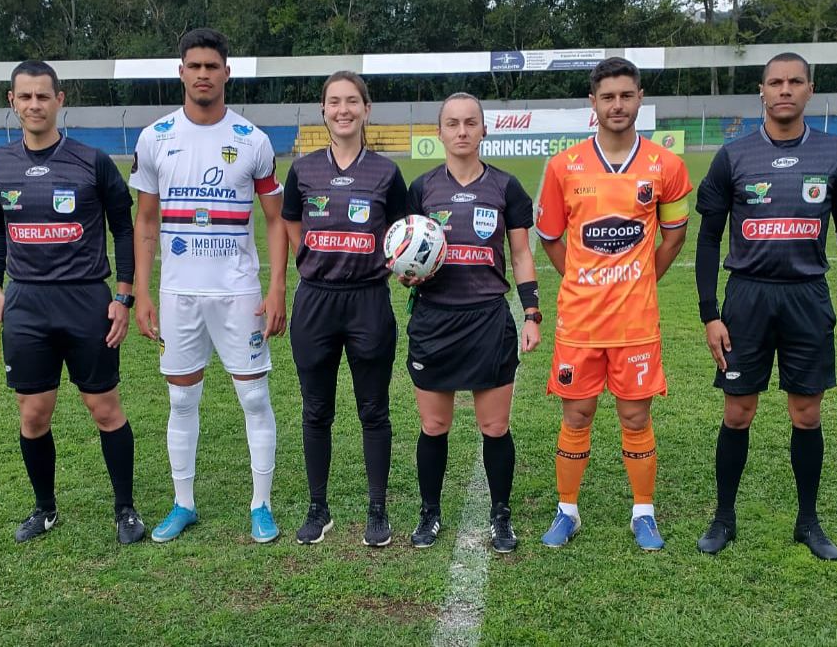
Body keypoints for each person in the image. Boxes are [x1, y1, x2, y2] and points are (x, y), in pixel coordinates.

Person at [694, 52, 837, 561]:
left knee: (807, 414)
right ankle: (723, 517)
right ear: (762, 90)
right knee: (738, 412)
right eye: (775, 82)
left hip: (807, 297)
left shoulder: (835, 153)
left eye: (795, 81)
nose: (785, 90)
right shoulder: (733, 156)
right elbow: (708, 239)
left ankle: (808, 521)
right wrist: (710, 312)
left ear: (809, 89)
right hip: (746, 298)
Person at [130, 27, 288, 545]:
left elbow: (275, 220)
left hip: (238, 293)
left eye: (211, 66)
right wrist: (143, 292)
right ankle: (184, 503)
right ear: (181, 72)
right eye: (194, 66)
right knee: (181, 402)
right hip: (178, 294)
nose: (203, 74)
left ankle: (261, 505)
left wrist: (277, 287)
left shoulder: (252, 140)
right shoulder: (155, 137)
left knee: (255, 398)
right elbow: (145, 221)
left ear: (226, 73)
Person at [0, 60, 144, 545]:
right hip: (26, 305)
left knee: (104, 408)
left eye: (42, 96)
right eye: (25, 96)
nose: (34, 104)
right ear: (12, 102)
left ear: (59, 100)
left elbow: (124, 228)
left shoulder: (92, 161)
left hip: (86, 300)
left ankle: (125, 509)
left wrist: (124, 296)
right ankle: (45, 508)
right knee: (33, 414)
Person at [535, 57, 692, 552]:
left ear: (640, 97)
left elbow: (674, 236)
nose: (617, 105)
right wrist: (582, 279)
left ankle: (643, 513)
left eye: (626, 95)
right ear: (593, 103)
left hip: (635, 323)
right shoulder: (564, 166)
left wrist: (639, 280)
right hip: (580, 323)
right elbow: (551, 237)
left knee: (636, 418)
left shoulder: (667, 166)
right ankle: (567, 510)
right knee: (576, 416)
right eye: (608, 97)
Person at [403, 92, 541, 553]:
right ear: (439, 132)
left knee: (495, 427)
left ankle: (501, 516)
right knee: (434, 425)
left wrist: (532, 312)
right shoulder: (422, 188)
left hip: (488, 320)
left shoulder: (506, 187)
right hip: (434, 321)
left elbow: (520, 255)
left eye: (470, 123)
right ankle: (429, 512)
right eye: (452, 123)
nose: (461, 131)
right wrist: (405, 272)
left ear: (484, 129)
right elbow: (406, 248)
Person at [282, 71, 407, 547]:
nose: (343, 110)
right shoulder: (303, 170)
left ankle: (377, 510)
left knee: (373, 410)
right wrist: (313, 259)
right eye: (334, 102)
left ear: (366, 109)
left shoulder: (387, 173)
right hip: (315, 301)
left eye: (352, 101)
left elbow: (401, 233)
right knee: (316, 410)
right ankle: (318, 508)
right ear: (323, 110)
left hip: (368, 300)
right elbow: (291, 223)